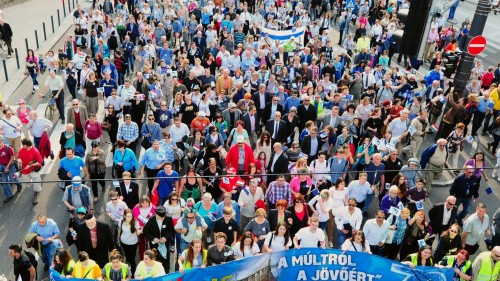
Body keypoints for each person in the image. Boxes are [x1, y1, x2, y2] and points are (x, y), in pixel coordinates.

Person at [143, 206, 175, 272]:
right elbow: (145, 231)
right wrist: (153, 238)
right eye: (161, 217)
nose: (163, 219)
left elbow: (171, 230)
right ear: (156, 214)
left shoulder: (168, 219)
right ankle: (155, 272)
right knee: (155, 258)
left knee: (165, 258)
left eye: (164, 217)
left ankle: (166, 272)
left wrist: (166, 238)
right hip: (155, 244)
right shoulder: (151, 220)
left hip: (165, 243)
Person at [17, 138, 43, 205]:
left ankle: (36, 192)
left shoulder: (35, 151)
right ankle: (30, 183)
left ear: (27, 145)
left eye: (23, 145)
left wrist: (30, 165)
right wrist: (19, 160)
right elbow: (19, 156)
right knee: (26, 181)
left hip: (34, 170)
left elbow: (40, 161)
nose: (22, 146)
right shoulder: (22, 150)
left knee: (36, 181)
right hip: (25, 170)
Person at [117, 209, 140, 275]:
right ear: (124, 216)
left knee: (132, 259)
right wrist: (118, 239)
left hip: (133, 243)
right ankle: (128, 265)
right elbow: (119, 230)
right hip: (124, 242)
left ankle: (133, 273)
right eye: (128, 216)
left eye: (131, 216)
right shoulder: (121, 221)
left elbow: (138, 232)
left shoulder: (135, 222)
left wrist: (141, 230)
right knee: (127, 255)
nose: (130, 218)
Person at [0, 138, 21, 202]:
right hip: (1, 166)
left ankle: (19, 184)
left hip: (10, 166)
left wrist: (7, 167)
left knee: (13, 179)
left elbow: (12, 158)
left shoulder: (8, 148)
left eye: (0, 142)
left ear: (2, 141)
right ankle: (10, 195)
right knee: (4, 182)